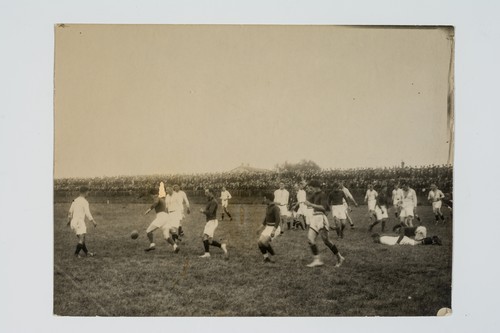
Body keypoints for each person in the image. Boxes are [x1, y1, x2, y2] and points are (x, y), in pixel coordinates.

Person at [304, 180, 345, 268]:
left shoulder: (323, 194)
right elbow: (306, 202)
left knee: (326, 241)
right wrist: (296, 204)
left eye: (311, 188)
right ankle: (317, 260)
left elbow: (323, 208)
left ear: (316, 187)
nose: (310, 190)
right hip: (314, 218)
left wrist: (311, 204)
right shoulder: (314, 195)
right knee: (310, 239)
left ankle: (339, 257)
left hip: (320, 218)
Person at [144, 188, 179, 253]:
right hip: (166, 217)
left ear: (153, 194)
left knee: (148, 231)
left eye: (151, 196)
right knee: (166, 236)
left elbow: (156, 202)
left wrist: (149, 209)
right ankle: (175, 246)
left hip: (161, 217)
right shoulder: (162, 199)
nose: (151, 197)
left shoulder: (156, 197)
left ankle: (152, 245)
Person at [67, 186, 97, 257]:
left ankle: (87, 253)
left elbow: (70, 211)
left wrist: (69, 220)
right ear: (85, 192)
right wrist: (93, 221)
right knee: (82, 238)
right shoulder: (85, 201)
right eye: (88, 192)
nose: (88, 193)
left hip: (73, 222)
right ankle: (76, 254)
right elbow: (87, 213)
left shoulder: (75, 200)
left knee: (82, 238)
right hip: (79, 222)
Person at [199, 188, 228, 259]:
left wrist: (203, 211)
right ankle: (222, 245)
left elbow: (210, 212)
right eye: (205, 193)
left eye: (207, 192)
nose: (205, 194)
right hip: (210, 221)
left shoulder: (214, 202)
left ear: (211, 193)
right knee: (209, 241)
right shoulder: (210, 201)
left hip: (212, 221)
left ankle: (207, 253)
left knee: (204, 237)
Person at [255, 192, 281, 263]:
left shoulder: (275, 208)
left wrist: (273, 231)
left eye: (265, 198)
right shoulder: (268, 207)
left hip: (275, 228)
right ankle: (266, 258)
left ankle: (273, 256)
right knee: (259, 242)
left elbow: (278, 220)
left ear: (268, 199)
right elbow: (265, 220)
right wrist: (259, 228)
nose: (264, 200)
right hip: (268, 228)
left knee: (264, 242)